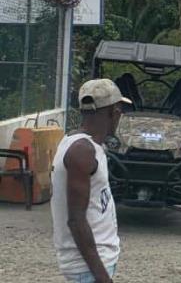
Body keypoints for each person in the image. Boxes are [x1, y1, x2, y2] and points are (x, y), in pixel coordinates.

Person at [52, 79, 131, 283]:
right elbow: (76, 220)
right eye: (119, 110)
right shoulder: (82, 151)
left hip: (92, 266)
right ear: (114, 112)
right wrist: (102, 277)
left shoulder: (81, 143)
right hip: (88, 269)